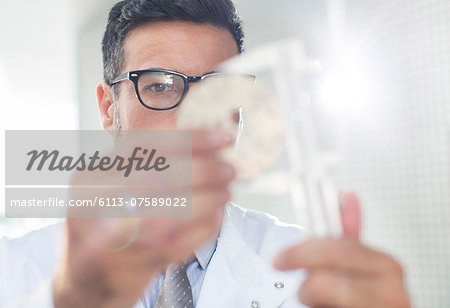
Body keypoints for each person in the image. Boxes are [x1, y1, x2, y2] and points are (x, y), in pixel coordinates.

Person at [0, 1, 411, 307]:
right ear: (109, 108)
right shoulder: (16, 271)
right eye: (160, 85)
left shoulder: (310, 270)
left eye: (220, 89)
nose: (194, 121)